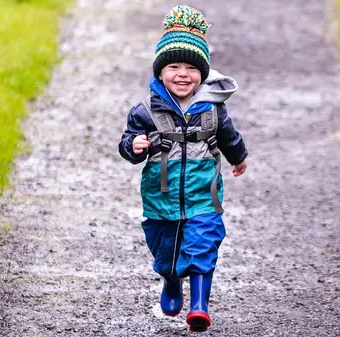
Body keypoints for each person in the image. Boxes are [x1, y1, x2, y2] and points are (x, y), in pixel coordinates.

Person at [118, 4, 248, 332]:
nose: (182, 74)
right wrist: (133, 147)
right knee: (166, 254)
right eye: (173, 66)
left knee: (204, 243)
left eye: (190, 67)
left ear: (202, 73)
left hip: (204, 195)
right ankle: (171, 281)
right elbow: (127, 142)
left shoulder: (213, 108)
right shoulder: (146, 111)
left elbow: (229, 137)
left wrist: (239, 157)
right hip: (161, 199)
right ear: (160, 71)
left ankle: (200, 306)